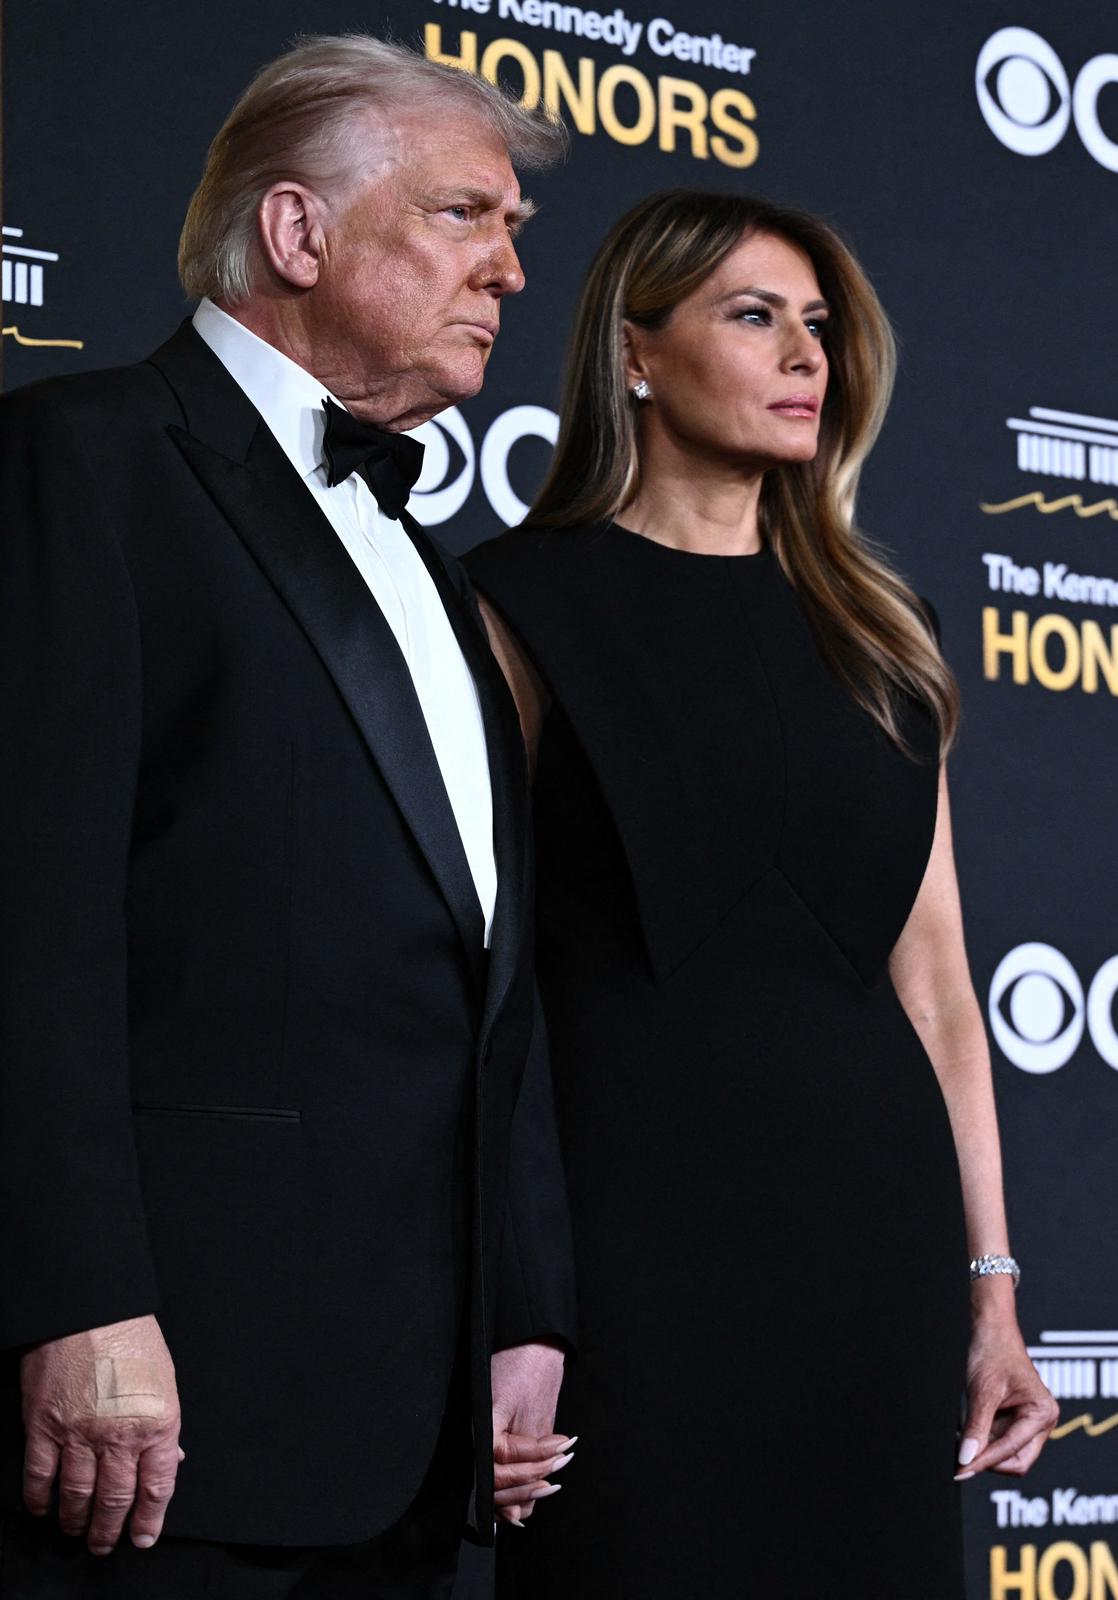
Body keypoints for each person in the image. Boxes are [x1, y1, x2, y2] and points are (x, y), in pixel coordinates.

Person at [0, 37, 579, 1595]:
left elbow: (484, 978)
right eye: (468, 215)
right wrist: (77, 1301)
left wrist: (524, 1307)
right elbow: (27, 925)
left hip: (422, 1435)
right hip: (163, 1418)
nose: (514, 271)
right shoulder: (83, 466)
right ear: (297, 232)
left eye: (514, 230)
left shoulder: (444, 581)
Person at [466, 188, 1058, 1594]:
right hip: (631, 1253)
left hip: (873, 1249)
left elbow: (938, 989)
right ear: (635, 352)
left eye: (820, 327)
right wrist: (508, 1299)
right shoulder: (509, 604)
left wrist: (994, 1295)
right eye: (754, 316)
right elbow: (478, 990)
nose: (809, 357)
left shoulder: (880, 633)